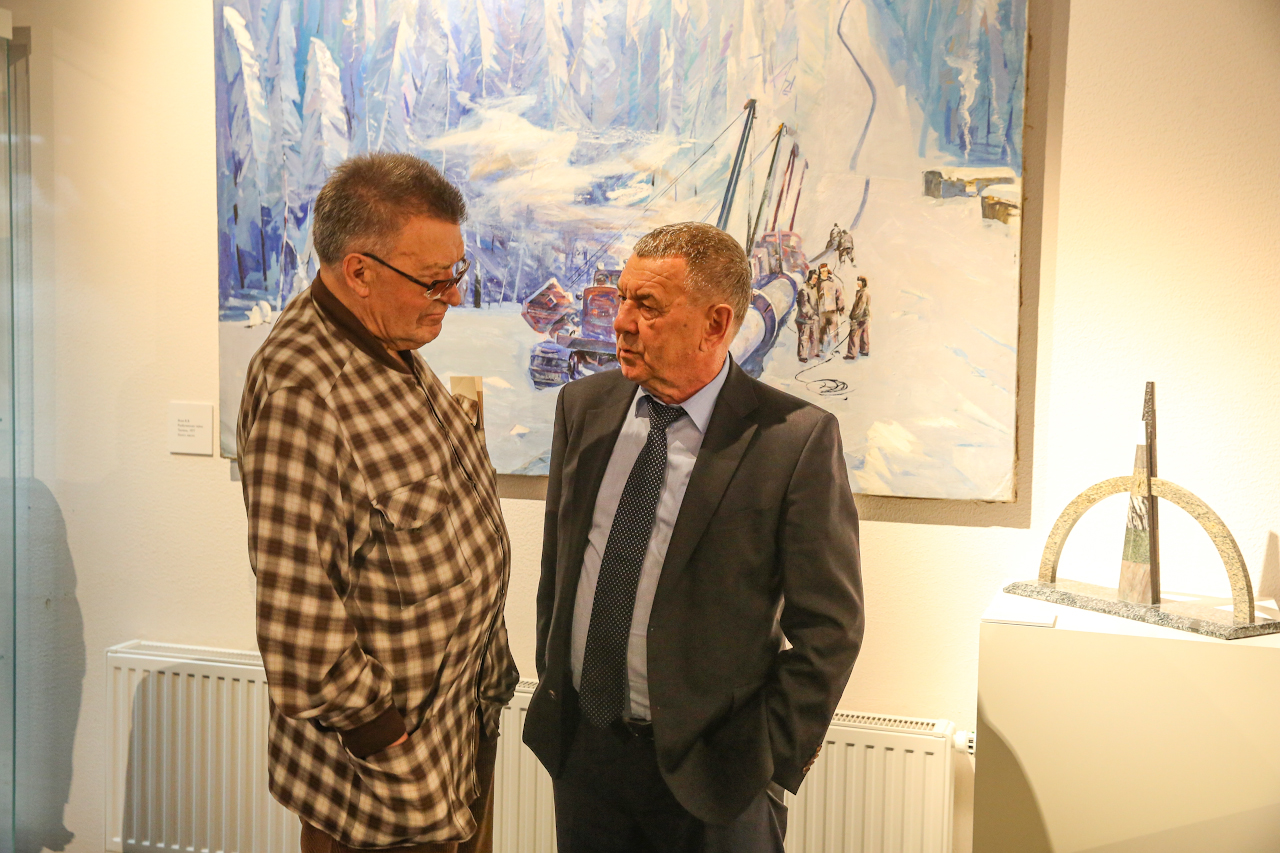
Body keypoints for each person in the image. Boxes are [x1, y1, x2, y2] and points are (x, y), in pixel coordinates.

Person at [523, 222, 864, 852]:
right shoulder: (583, 407)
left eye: (647, 305)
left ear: (715, 324)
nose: (622, 321)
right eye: (622, 297)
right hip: (587, 760)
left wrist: (767, 757)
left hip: (715, 780)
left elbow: (831, 628)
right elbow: (559, 569)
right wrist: (556, 683)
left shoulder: (793, 441)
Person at [237, 152, 518, 853]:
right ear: (359, 272)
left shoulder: (385, 339)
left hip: (452, 738)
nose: (453, 296)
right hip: (385, 784)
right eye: (433, 279)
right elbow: (300, 623)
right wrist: (389, 746)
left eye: (456, 272)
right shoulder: (306, 392)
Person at [816, 263, 845, 352]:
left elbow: (839, 295)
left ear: (828, 271)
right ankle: (822, 348)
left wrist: (841, 308)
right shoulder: (817, 283)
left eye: (825, 271)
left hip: (832, 310)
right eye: (822, 271)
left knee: (834, 330)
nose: (824, 273)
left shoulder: (833, 283)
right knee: (822, 330)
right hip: (821, 311)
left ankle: (835, 347)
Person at [795, 269, 820, 362]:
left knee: (814, 336)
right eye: (814, 278)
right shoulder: (803, 289)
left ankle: (813, 353)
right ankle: (802, 356)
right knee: (804, 338)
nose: (815, 280)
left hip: (813, 318)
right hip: (804, 319)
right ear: (810, 277)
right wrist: (812, 314)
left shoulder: (814, 288)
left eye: (817, 278)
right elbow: (804, 306)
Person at [845, 276, 870, 360]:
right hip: (864, 317)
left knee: (854, 334)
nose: (857, 284)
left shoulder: (863, 293)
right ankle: (864, 350)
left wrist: (854, 318)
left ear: (863, 283)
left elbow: (860, 307)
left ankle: (851, 354)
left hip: (860, 317)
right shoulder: (863, 292)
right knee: (863, 333)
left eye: (859, 282)